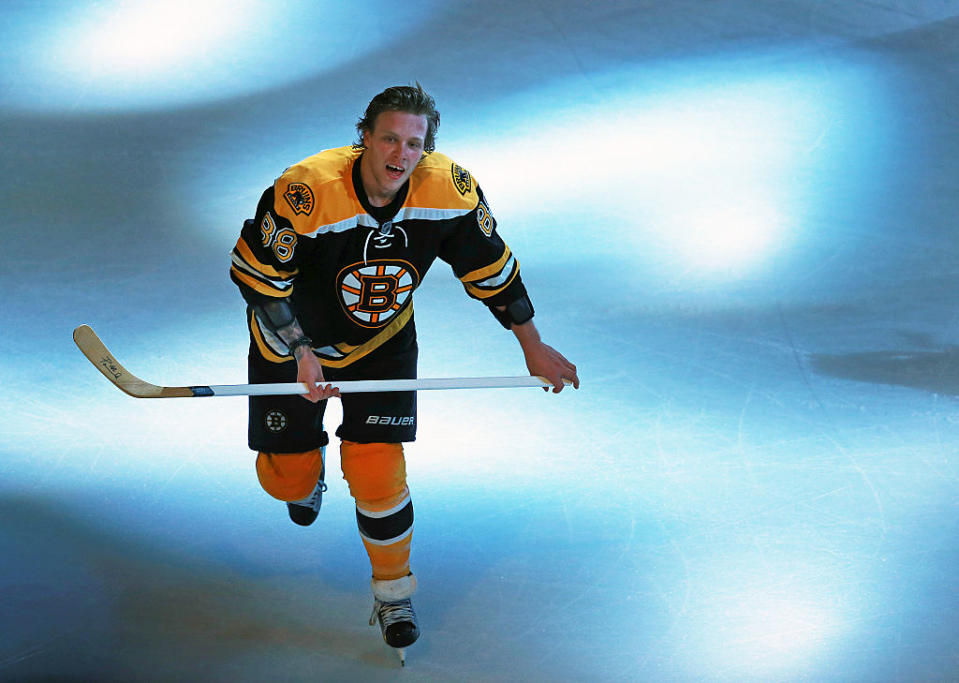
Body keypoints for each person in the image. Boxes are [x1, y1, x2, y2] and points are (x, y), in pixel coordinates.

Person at [229, 83, 579, 662]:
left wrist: (532, 344)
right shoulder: (306, 191)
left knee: (377, 473)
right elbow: (259, 279)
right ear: (363, 135)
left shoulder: (450, 190)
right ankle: (304, 471)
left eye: (413, 143)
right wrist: (301, 351)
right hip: (290, 346)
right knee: (283, 484)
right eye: (388, 137)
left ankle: (394, 594)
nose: (400, 153)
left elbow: (491, 268)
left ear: (427, 149)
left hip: (381, 344)